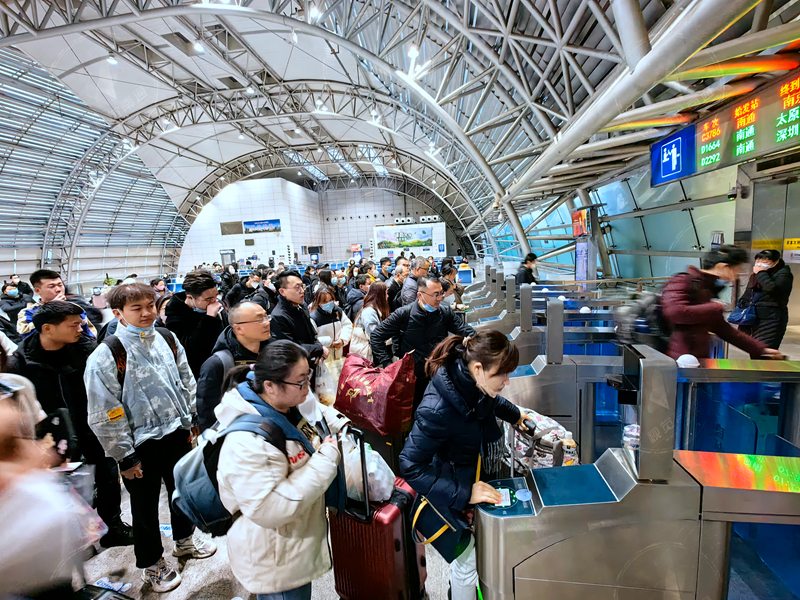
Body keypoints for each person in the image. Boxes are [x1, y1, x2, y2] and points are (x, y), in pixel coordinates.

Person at [85, 283, 215, 593]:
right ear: (118, 313)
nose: (146, 313)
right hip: (139, 443)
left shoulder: (167, 338)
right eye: (137, 308)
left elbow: (186, 379)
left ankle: (184, 540)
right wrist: (124, 455)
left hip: (177, 433)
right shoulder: (108, 353)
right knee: (143, 508)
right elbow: (105, 411)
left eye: (150, 306)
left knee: (182, 491)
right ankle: (151, 563)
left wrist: (192, 419)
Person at [399, 333, 532, 600]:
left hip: (471, 474)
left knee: (473, 556)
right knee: (467, 562)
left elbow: (490, 401)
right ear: (479, 369)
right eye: (502, 375)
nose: (507, 382)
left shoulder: (474, 382)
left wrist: (516, 415)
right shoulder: (436, 408)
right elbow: (410, 465)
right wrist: (465, 493)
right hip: (448, 491)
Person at [215, 341, 347, 600]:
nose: (307, 386)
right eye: (301, 381)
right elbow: (271, 508)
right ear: (270, 386)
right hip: (275, 557)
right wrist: (327, 458)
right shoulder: (248, 442)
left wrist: (340, 423)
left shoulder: (284, 402)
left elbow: (314, 413)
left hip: (293, 543)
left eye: (308, 376)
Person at [6, 301, 133, 548]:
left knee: (107, 476)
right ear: (47, 328)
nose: (80, 329)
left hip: (91, 426)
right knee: (63, 487)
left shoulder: (86, 350)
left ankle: (113, 528)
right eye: (73, 325)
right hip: (51, 436)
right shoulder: (20, 364)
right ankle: (72, 539)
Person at [371, 274, 476, 408]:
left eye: (441, 293)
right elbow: (376, 336)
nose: (440, 298)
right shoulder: (404, 314)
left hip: (438, 372)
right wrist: (387, 364)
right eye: (436, 295)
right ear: (420, 295)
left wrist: (472, 340)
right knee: (415, 409)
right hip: (413, 376)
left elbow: (465, 330)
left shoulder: (444, 312)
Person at [661, 246, 782, 360]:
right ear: (723, 267)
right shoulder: (683, 280)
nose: (734, 278)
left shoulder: (707, 288)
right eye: (736, 272)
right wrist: (715, 307)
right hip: (680, 359)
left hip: (698, 358)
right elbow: (675, 312)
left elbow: (724, 330)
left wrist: (760, 349)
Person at [196, 302, 273, 432]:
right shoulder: (219, 363)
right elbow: (207, 415)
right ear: (238, 329)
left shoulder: (273, 351)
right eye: (259, 319)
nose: (267, 323)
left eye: (267, 317)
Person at [165, 269, 229, 379]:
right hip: (199, 373)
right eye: (208, 299)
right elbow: (191, 349)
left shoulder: (218, 306)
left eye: (216, 296)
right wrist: (209, 318)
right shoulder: (175, 316)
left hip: (222, 365)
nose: (214, 301)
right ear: (190, 298)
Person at [738, 249, 794, 349]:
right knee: (753, 349)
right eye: (758, 261)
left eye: (764, 262)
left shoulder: (784, 274)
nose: (760, 264)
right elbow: (749, 293)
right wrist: (742, 305)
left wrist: (761, 273)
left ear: (775, 262)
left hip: (772, 319)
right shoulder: (756, 275)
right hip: (753, 317)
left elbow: (771, 288)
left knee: (765, 349)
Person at [17, 269, 97, 339]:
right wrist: (51, 309)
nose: (58, 289)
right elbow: (26, 334)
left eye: (60, 285)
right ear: (38, 290)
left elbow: (90, 331)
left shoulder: (75, 308)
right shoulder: (28, 312)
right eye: (51, 286)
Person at [269, 270, 327, 365]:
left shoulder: (302, 306)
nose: (302, 291)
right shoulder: (279, 316)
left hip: (311, 359)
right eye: (297, 288)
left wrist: (318, 350)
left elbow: (312, 334)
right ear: (282, 292)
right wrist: (318, 349)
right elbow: (290, 348)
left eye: (302, 286)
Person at [350, 281, 390, 362]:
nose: (387, 296)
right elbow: (374, 336)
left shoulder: (375, 309)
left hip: (367, 352)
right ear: (380, 295)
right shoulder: (369, 312)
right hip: (365, 354)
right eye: (386, 293)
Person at [309, 286, 352, 362]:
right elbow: (311, 339)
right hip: (324, 358)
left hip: (339, 355)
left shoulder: (338, 311)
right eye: (325, 302)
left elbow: (347, 325)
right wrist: (328, 342)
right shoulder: (314, 317)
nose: (329, 303)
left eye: (331, 300)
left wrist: (342, 340)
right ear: (318, 302)